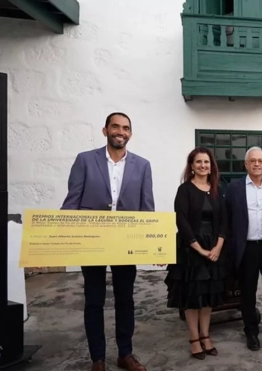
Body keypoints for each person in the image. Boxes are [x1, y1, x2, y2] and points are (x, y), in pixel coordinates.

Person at [61, 112, 153, 371]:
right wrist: (62, 239)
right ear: (105, 130)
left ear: (130, 134)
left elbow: (147, 209)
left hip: (126, 243)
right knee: (94, 300)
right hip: (92, 242)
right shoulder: (85, 160)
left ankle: (125, 353)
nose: (120, 131)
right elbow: (72, 203)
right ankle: (97, 358)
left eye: (125, 128)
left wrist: (153, 243)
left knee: (125, 299)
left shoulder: (142, 165)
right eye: (115, 126)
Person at [164, 147, 227, 361]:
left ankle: (205, 335)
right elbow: (181, 221)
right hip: (191, 251)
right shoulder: (185, 190)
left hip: (214, 249)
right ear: (192, 165)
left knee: (207, 297)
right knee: (193, 297)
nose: (203, 166)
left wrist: (218, 247)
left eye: (206, 162)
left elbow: (223, 221)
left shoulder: (218, 188)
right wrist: (200, 249)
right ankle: (194, 339)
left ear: (211, 166)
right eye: (198, 162)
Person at [225, 147, 262, 351]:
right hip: (246, 249)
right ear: (246, 164)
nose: (257, 164)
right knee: (247, 293)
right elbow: (228, 219)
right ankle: (251, 331)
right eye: (253, 161)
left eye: (261, 161)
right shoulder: (234, 188)